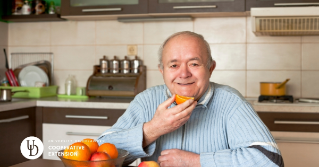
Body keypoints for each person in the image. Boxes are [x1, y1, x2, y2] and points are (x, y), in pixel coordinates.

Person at [97, 31, 284, 167]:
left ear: (210, 68)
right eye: (174, 65)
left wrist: (195, 161)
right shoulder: (145, 100)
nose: (184, 73)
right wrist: (153, 129)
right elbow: (99, 153)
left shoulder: (231, 102)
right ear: (162, 71)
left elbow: (270, 161)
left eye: (194, 64)